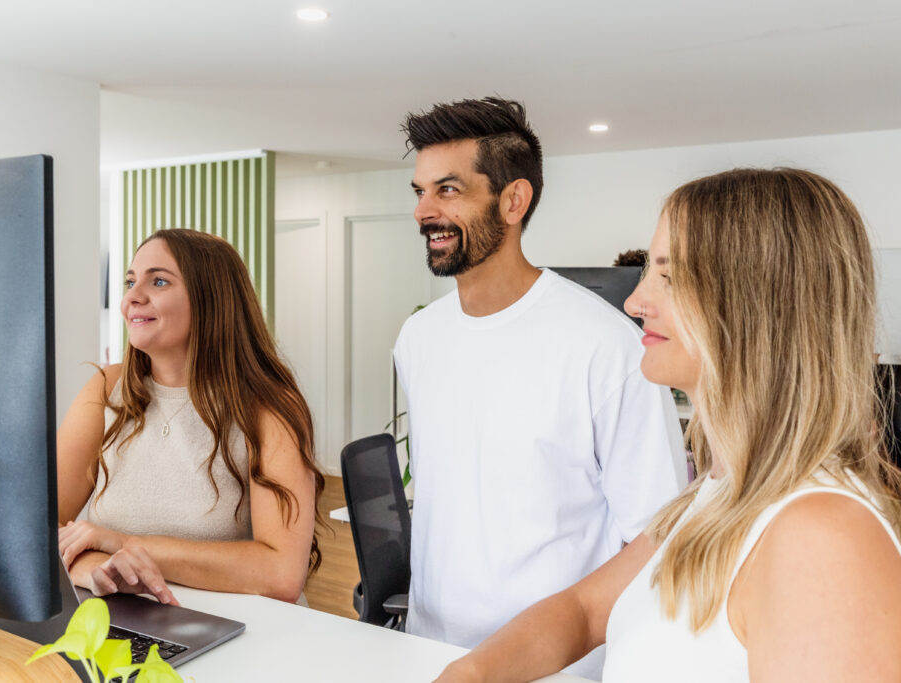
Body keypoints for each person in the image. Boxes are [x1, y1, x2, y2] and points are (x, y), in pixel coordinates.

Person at [434, 167, 901, 683]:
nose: (635, 303)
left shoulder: (821, 540)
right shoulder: (720, 492)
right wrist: (472, 673)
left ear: (757, 306)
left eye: (670, 277)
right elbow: (585, 612)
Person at [394, 97, 686, 679]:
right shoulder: (418, 337)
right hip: (431, 654)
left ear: (513, 200)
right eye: (419, 191)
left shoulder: (607, 345)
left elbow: (657, 535)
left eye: (448, 190)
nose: (424, 210)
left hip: (557, 669)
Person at [56, 228, 323, 606]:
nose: (132, 297)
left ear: (211, 300)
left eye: (159, 281)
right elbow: (37, 529)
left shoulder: (270, 407)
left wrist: (127, 546)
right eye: (131, 281)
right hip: (126, 619)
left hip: (242, 630)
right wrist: (90, 567)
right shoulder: (105, 389)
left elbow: (281, 574)